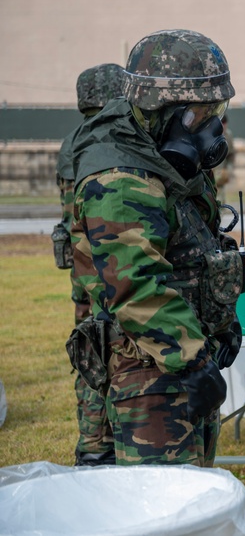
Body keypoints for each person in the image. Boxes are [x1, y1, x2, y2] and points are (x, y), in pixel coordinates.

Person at [68, 29, 243, 467]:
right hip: (149, 371)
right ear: (165, 110)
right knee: (165, 503)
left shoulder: (162, 159)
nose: (213, 125)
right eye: (204, 112)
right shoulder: (120, 177)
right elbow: (136, 284)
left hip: (179, 354)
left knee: (196, 493)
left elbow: (195, 249)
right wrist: (192, 359)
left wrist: (220, 325)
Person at [55, 62, 123, 466]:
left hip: (83, 273)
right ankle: (105, 444)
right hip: (110, 267)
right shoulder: (110, 141)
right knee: (117, 351)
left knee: (90, 351)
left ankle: (93, 445)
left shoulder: (72, 141)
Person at [212, 113, 236, 203]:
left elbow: (231, 154)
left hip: (221, 171)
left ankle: (220, 210)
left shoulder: (228, 135)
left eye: (225, 124)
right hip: (211, 170)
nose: (224, 127)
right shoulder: (212, 134)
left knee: (220, 195)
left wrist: (229, 169)